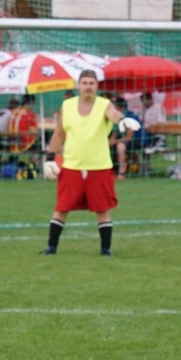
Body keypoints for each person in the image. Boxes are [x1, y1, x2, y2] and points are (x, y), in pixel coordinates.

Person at [42, 69, 135, 257]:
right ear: (79, 86)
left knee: (102, 209)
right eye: (84, 83)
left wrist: (123, 120)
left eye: (91, 83)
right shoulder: (67, 105)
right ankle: (51, 248)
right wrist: (50, 156)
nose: (88, 87)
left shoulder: (104, 104)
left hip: (99, 167)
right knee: (62, 208)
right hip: (72, 166)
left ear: (97, 86)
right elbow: (59, 133)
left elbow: (114, 114)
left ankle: (106, 249)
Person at [109, 97, 144, 179]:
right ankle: (110, 169)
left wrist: (114, 141)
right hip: (126, 141)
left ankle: (121, 173)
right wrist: (110, 141)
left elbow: (128, 137)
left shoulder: (129, 116)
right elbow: (115, 133)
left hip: (137, 140)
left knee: (120, 146)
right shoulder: (117, 117)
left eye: (114, 107)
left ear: (119, 107)